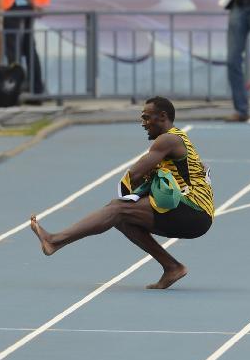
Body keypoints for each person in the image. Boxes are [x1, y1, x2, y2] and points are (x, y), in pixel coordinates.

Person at [30, 95, 214, 290]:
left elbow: (134, 174)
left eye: (146, 117)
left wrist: (140, 183)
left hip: (193, 212)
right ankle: (172, 267)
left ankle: (54, 240)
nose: (143, 123)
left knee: (117, 209)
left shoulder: (168, 140)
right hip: (195, 214)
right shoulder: (177, 139)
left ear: (162, 116)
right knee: (121, 218)